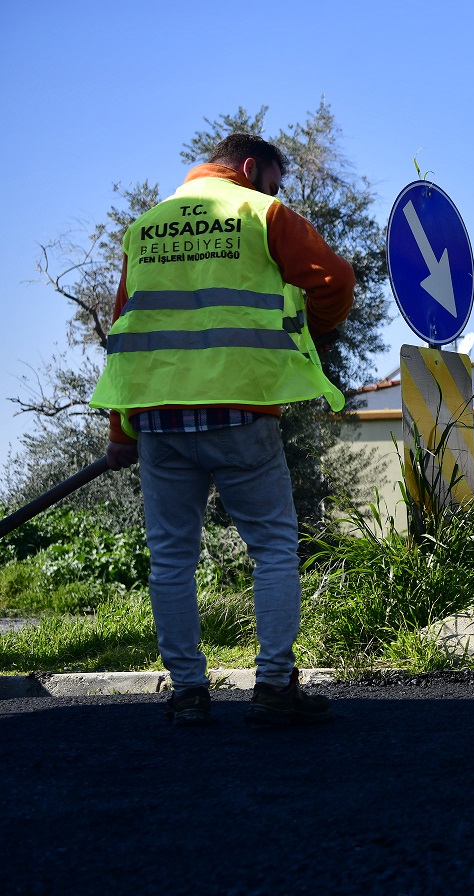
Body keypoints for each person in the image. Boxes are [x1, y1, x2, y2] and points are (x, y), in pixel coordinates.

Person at [89, 133, 355, 727]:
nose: (275, 191)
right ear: (251, 169)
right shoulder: (262, 212)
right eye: (274, 181)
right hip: (241, 410)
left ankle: (187, 693)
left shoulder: (145, 228)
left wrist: (121, 432)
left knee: (171, 559)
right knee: (275, 549)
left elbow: (124, 337)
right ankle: (272, 687)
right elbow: (335, 281)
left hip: (159, 417)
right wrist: (310, 329)